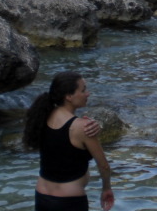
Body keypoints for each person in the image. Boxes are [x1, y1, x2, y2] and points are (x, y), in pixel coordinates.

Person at [23, 71, 115, 211]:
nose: (87, 93)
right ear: (69, 96)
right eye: (83, 90)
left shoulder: (41, 117)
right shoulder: (84, 128)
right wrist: (106, 188)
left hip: (42, 196)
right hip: (69, 201)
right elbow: (104, 166)